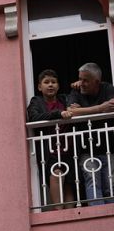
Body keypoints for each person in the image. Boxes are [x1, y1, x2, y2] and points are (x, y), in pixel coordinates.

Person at [65, 62, 114, 205]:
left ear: (97, 82)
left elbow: (112, 106)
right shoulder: (76, 91)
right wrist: (100, 108)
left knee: (110, 185)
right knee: (93, 184)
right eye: (80, 79)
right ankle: (99, 220)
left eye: (85, 80)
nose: (81, 83)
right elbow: (71, 111)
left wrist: (83, 111)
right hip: (87, 149)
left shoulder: (107, 88)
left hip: (109, 147)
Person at [26, 69, 75, 209]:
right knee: (56, 174)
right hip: (50, 148)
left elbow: (76, 105)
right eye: (46, 82)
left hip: (68, 146)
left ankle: (70, 213)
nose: (50, 85)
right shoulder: (36, 101)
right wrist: (58, 114)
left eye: (53, 82)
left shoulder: (64, 99)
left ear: (58, 86)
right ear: (39, 87)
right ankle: (59, 210)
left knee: (69, 182)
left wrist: (76, 86)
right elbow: (34, 117)